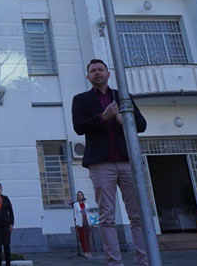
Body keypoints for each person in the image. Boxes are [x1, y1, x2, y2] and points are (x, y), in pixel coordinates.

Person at [71, 59, 148, 266]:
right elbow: (79, 127)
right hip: (101, 164)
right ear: (88, 76)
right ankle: (114, 263)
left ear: (108, 73)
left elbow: (142, 125)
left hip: (127, 162)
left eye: (100, 70)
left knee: (138, 215)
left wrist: (128, 121)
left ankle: (143, 261)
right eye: (93, 71)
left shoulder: (122, 97)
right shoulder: (81, 100)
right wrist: (103, 117)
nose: (97, 73)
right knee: (107, 217)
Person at [72, 190, 92, 258]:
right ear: (77, 197)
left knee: (88, 238)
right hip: (80, 223)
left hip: (87, 222)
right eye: (78, 195)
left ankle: (89, 251)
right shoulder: (75, 205)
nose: (80, 196)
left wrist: (91, 222)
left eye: (81, 195)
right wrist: (76, 223)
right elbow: (75, 215)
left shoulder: (87, 205)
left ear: (83, 196)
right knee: (82, 238)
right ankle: (85, 252)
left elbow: (89, 214)